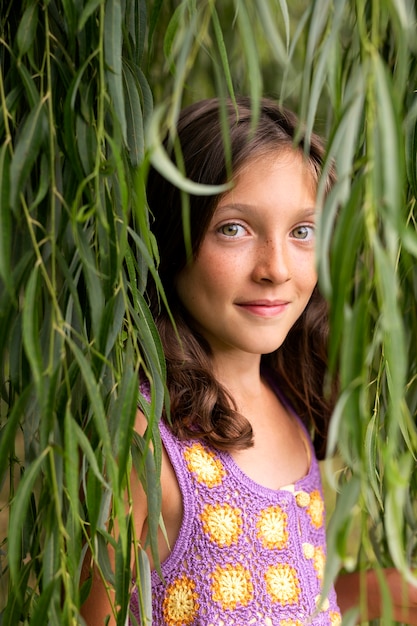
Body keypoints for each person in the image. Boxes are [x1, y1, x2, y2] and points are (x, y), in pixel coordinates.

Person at [81, 97, 417, 625]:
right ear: (169, 238)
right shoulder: (147, 438)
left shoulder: (294, 407)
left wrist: (374, 592)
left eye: (301, 231)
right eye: (233, 228)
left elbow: (284, 594)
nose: (276, 269)